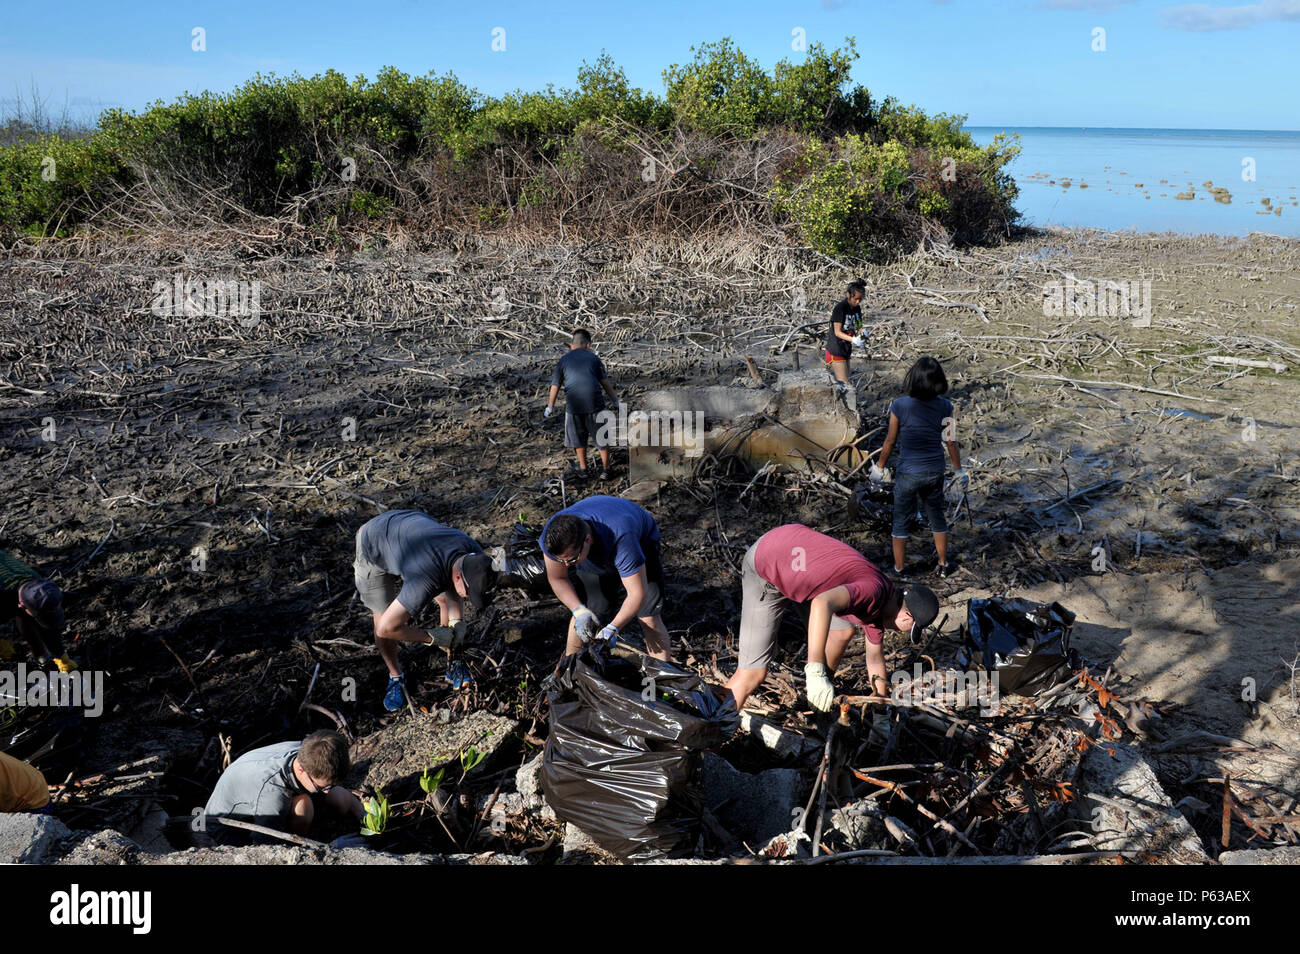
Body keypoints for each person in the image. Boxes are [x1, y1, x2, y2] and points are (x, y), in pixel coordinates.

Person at [725, 524, 940, 713]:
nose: (900, 632)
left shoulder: (883, 605)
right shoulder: (872, 592)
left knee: (842, 631)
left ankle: (815, 700)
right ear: (907, 616)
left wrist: (880, 708)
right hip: (770, 560)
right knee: (752, 673)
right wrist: (815, 670)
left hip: (798, 555)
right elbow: (821, 603)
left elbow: (875, 661)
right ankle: (710, 724)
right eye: (910, 628)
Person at [353, 510, 498, 711]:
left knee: (446, 600)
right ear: (458, 578)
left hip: (411, 531)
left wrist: (457, 624)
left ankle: (453, 662)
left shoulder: (473, 552)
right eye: (469, 593)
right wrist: (432, 637)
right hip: (372, 543)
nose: (468, 597)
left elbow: (453, 586)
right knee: (382, 616)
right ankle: (396, 677)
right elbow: (387, 628)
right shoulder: (425, 577)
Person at [539, 495, 669, 661]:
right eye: (560, 560)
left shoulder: (623, 538)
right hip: (593, 552)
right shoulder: (555, 538)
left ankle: (660, 676)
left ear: (587, 540)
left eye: (571, 560)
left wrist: (613, 628)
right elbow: (558, 579)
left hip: (640, 543)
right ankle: (569, 669)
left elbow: (637, 593)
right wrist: (579, 610)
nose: (566, 565)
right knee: (588, 613)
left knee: (648, 616)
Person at [872, 356, 967, 579]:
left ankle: (899, 569)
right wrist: (958, 470)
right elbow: (950, 441)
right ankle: (943, 564)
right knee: (937, 517)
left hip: (907, 474)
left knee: (901, 520)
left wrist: (879, 467)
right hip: (935, 472)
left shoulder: (899, 405)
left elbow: (890, 441)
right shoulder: (946, 406)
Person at [203, 731, 363, 838]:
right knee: (303, 806)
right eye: (322, 787)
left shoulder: (310, 750)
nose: (326, 791)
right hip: (228, 829)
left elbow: (335, 793)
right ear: (301, 769)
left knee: (340, 798)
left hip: (266, 797)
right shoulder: (271, 795)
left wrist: (367, 818)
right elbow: (265, 849)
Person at [545, 328, 619, 480]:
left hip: (574, 405)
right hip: (595, 403)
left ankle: (583, 469)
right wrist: (615, 400)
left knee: (579, 438)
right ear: (588, 345)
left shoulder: (563, 360)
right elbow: (604, 382)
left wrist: (550, 406)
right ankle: (606, 470)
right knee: (602, 438)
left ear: (572, 345)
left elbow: (555, 386)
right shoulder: (594, 359)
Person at [0, 550, 75, 672]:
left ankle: (41, 657)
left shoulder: (39, 585)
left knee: (29, 617)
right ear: (21, 606)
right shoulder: (3, 600)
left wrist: (61, 656)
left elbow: (47, 627)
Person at [825, 280, 869, 386]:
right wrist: (854, 340)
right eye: (856, 299)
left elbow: (859, 325)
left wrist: (862, 333)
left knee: (846, 379)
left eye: (860, 299)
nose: (858, 302)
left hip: (846, 348)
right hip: (836, 347)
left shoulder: (856, 308)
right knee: (844, 383)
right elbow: (837, 332)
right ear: (848, 295)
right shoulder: (840, 309)